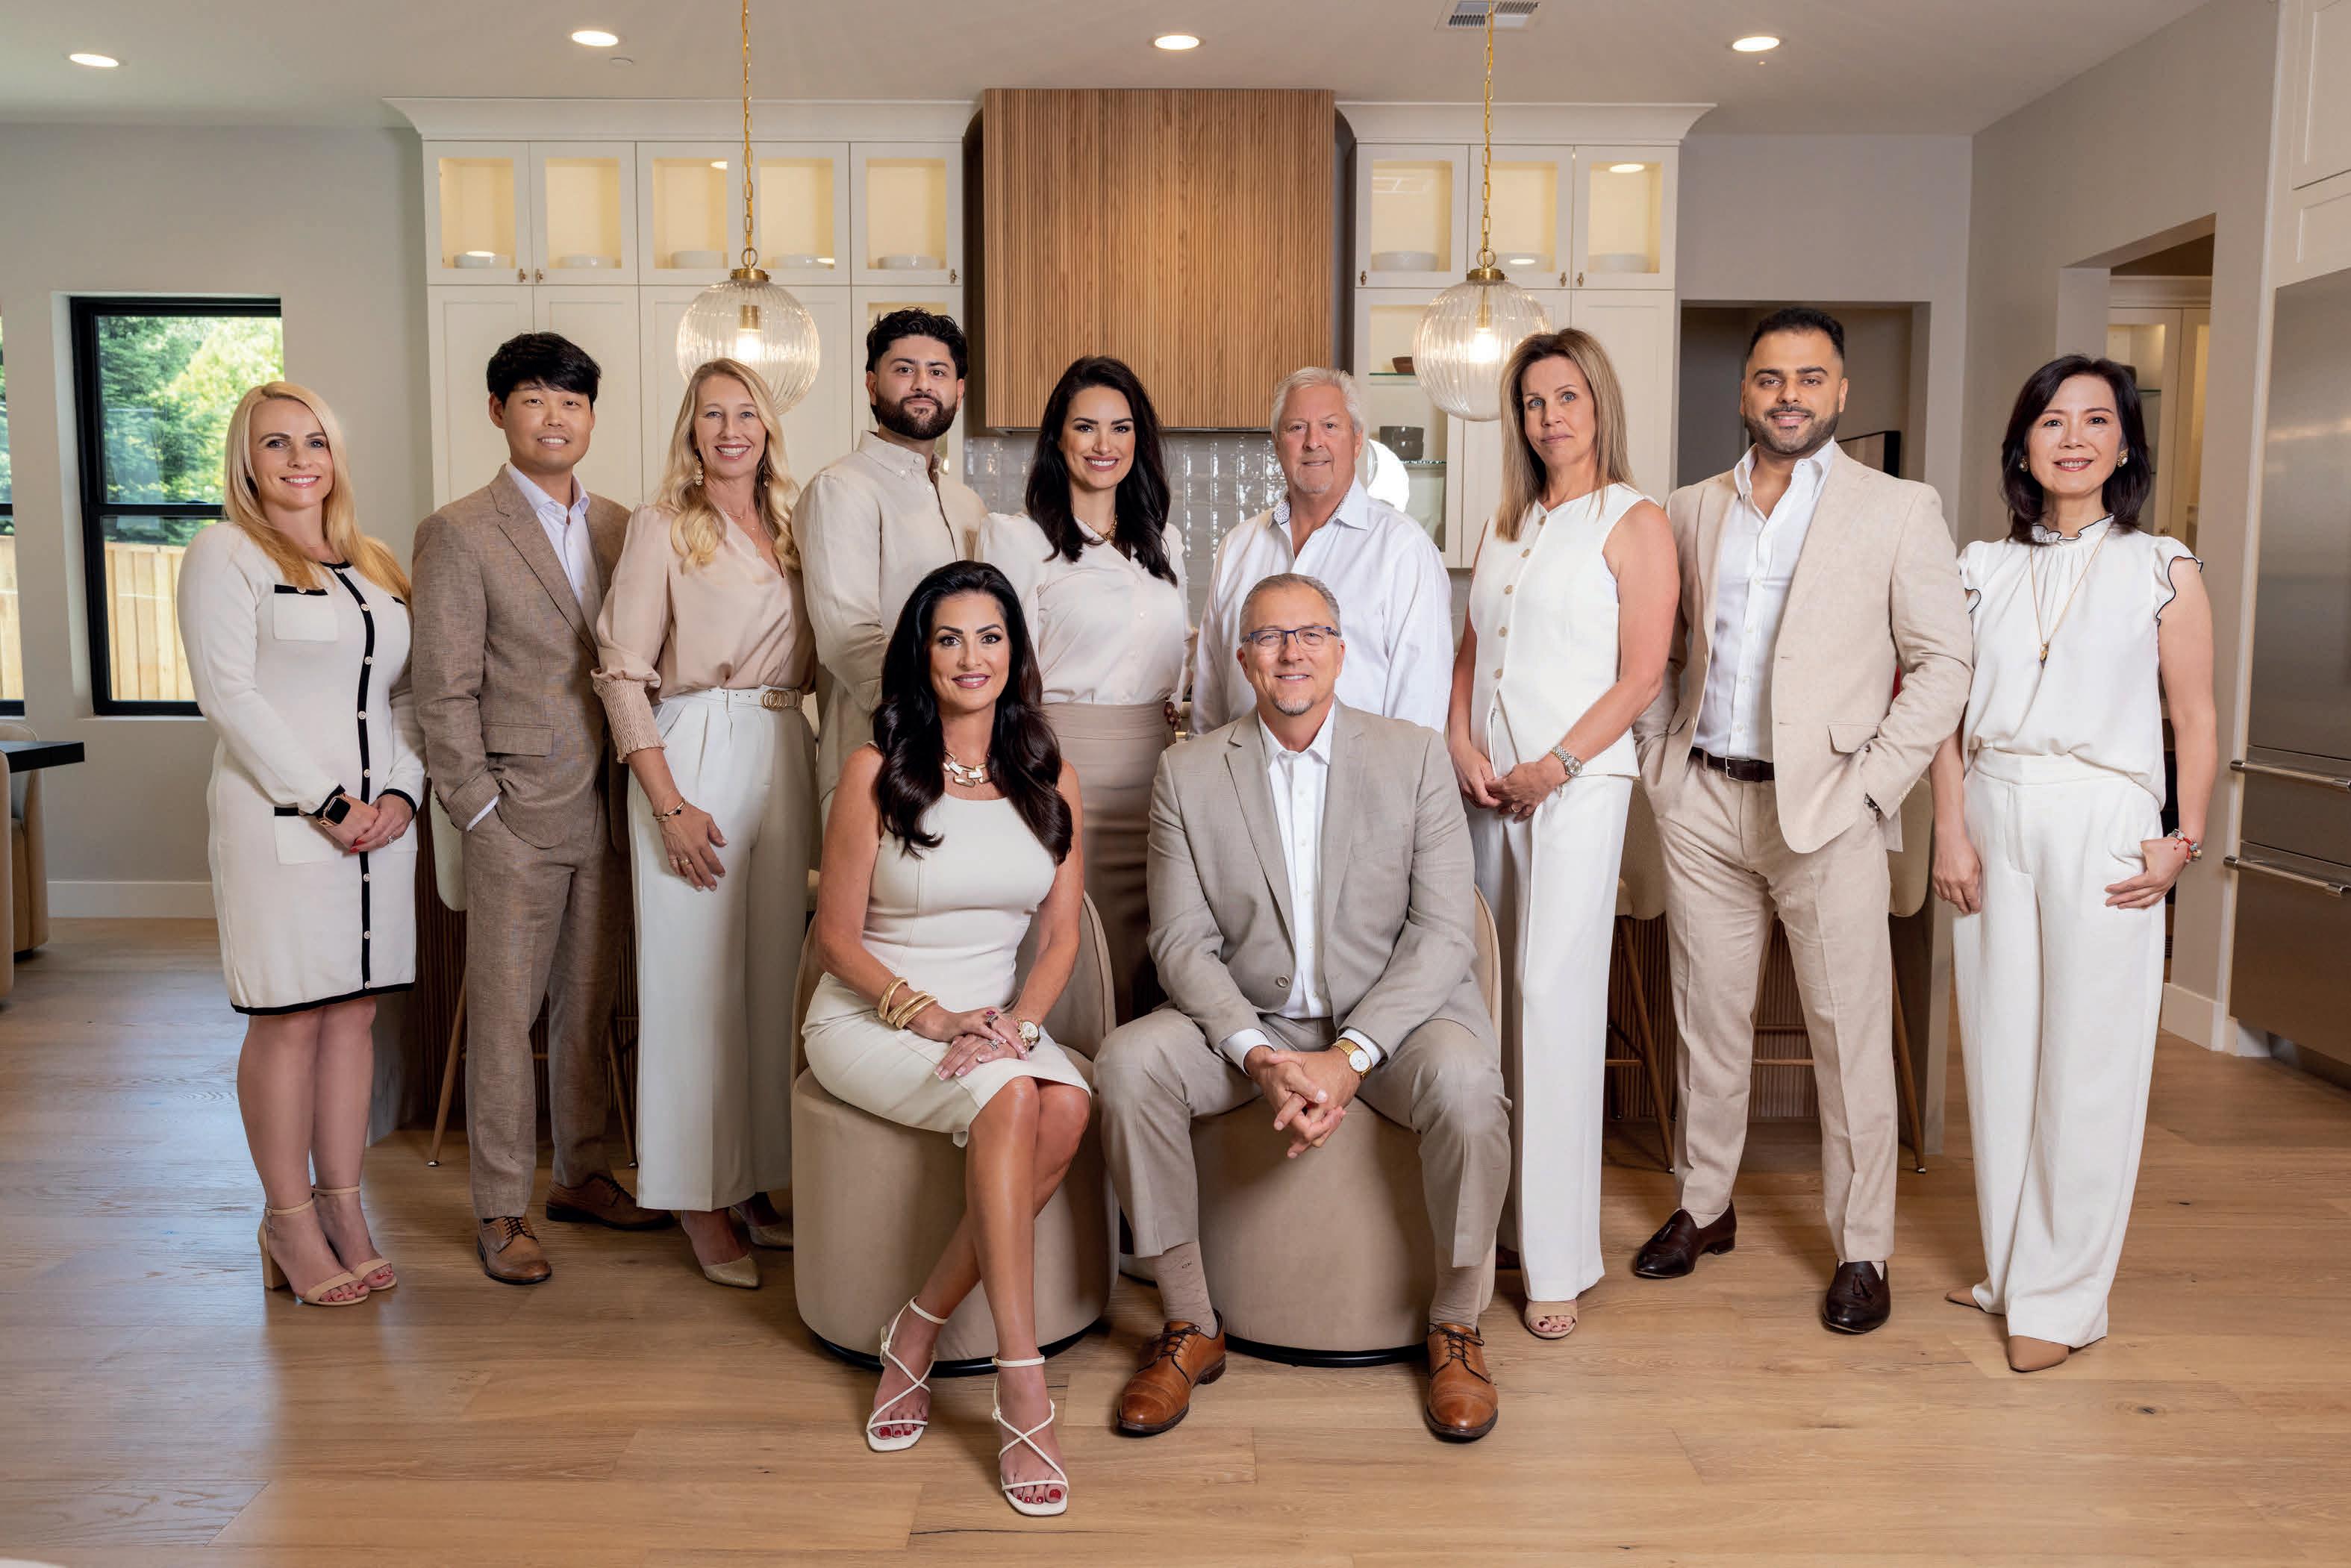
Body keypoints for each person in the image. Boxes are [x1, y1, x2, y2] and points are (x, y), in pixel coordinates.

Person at [1099, 572, 1511, 1443]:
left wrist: (1351, 1055)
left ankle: (1456, 1323)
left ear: (1340, 652)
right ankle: (1190, 1320)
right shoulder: (1187, 772)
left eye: (1311, 633)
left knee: (1470, 1086)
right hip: (1252, 1021)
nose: (1292, 652)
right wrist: (1255, 1053)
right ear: (1243, 658)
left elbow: (1444, 933)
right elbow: (1180, 942)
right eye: (1271, 637)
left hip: (1396, 1024)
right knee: (1129, 1064)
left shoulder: (1414, 757)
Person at [1629, 306, 1971, 1334]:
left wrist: (1873, 787)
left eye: (1810, 378)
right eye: (1771, 378)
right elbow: (1661, 648)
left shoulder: (1899, 508)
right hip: (1704, 799)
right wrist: (1658, 761)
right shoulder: (1690, 507)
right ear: (1744, 392)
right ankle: (1705, 1203)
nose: (1789, 396)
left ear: (1840, 392)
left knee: (1847, 1035)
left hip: (1828, 809)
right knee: (1706, 1018)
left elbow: (1944, 663)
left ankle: (1863, 1246)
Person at [1929, 356, 2214, 1373]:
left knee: (2089, 1060)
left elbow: (2195, 718)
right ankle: (2015, 1272)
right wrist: (1949, 827)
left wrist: (2182, 838)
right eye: (2052, 421)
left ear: (2126, 444)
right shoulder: (1978, 567)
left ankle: (2064, 1295)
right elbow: (1940, 713)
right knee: (2000, 1050)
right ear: (2023, 445)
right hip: (1993, 806)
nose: (2075, 438)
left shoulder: (2162, 567)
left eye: (2097, 420)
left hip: (2104, 814)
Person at [802, 560, 1092, 1518]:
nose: (973, 656)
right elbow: (834, 939)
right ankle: (1022, 1381)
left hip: (995, 1017)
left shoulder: (1050, 777)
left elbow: (1060, 935)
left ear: (1015, 652)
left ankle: (917, 1329)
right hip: (874, 1015)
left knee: (1068, 1105)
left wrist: (1020, 1026)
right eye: (950, 637)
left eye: (991, 636)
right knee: (1013, 1096)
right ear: (921, 656)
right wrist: (927, 1015)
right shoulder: (875, 771)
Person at [412, 332, 667, 1287]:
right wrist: (478, 806)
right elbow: (441, 689)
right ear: (498, 412)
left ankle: (583, 1175)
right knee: (505, 1018)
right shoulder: (460, 530)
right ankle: (500, 1207)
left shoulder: (624, 525)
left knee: (589, 1004)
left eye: (571, 401)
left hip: (612, 805)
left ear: (592, 416)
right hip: (515, 811)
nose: (554, 417)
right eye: (533, 399)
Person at [1448, 331, 1677, 1340]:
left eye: (1567, 396)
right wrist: (1461, 741)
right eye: (1533, 402)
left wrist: (1556, 766)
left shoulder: (1634, 520)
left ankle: (1557, 1258)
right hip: (1492, 788)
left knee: (1553, 1001)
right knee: (1493, 1001)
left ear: (1599, 403)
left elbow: (1642, 674)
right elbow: (1471, 651)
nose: (1549, 417)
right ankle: (1498, 1227)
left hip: (1577, 789)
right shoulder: (1505, 523)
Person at [179, 381, 424, 1307]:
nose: (298, 459)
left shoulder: (375, 560)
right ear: (246, 461)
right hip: (281, 823)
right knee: (288, 1018)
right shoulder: (226, 554)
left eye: (314, 440)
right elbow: (228, 695)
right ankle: (286, 1220)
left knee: (354, 1017)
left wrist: (401, 792)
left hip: (380, 832)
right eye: (275, 443)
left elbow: (405, 697)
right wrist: (325, 802)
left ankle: (344, 1209)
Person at [593, 359, 815, 1287]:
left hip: (785, 743)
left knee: (766, 981)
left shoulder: (796, 528)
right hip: (695, 744)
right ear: (691, 429)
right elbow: (620, 674)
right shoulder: (663, 527)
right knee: (691, 984)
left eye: (746, 413)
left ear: (768, 426)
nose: (731, 430)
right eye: (712, 414)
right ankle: (693, 1193)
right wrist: (668, 801)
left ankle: (751, 1176)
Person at [978, 355, 1188, 1021]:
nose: (1105, 444)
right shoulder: (1017, 539)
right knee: (1067, 944)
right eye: (1086, 426)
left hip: (1157, 776)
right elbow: (997, 676)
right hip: (1061, 770)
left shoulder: (1165, 544)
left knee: (1157, 946)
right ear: (1058, 438)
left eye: (1121, 428)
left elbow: (1178, 661)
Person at [796, 308, 987, 811]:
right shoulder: (841, 488)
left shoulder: (969, 504)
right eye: (904, 369)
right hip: (876, 752)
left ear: (959, 390)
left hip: (967, 756)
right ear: (871, 383)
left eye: (938, 372)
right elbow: (847, 638)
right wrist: (942, 709)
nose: (922, 384)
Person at [1189, 369, 1452, 734]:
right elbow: (1210, 694)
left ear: (1357, 441)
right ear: (1277, 443)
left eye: (1330, 426)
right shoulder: (1238, 547)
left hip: (1362, 769)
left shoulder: (1403, 549)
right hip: (1243, 769)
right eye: (1297, 427)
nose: (1314, 442)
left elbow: (1421, 705)